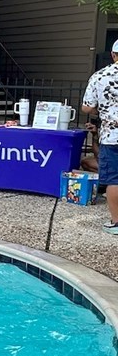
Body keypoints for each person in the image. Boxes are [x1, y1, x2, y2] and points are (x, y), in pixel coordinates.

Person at [81, 39, 118, 235]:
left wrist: (102, 110)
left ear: (113, 55)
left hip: (112, 135)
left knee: (114, 179)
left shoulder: (100, 76)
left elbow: (86, 107)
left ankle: (116, 222)